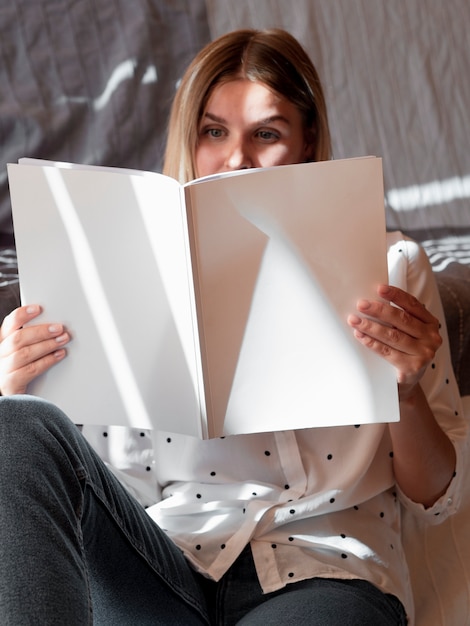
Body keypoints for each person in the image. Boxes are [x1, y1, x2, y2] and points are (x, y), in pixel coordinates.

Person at [0, 28, 467, 626]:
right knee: (15, 423)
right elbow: (90, 486)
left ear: (308, 142)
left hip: (322, 568)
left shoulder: (392, 268)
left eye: (266, 133)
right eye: (214, 131)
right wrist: (20, 392)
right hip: (159, 567)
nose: (237, 159)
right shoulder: (110, 271)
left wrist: (405, 392)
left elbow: (439, 501)